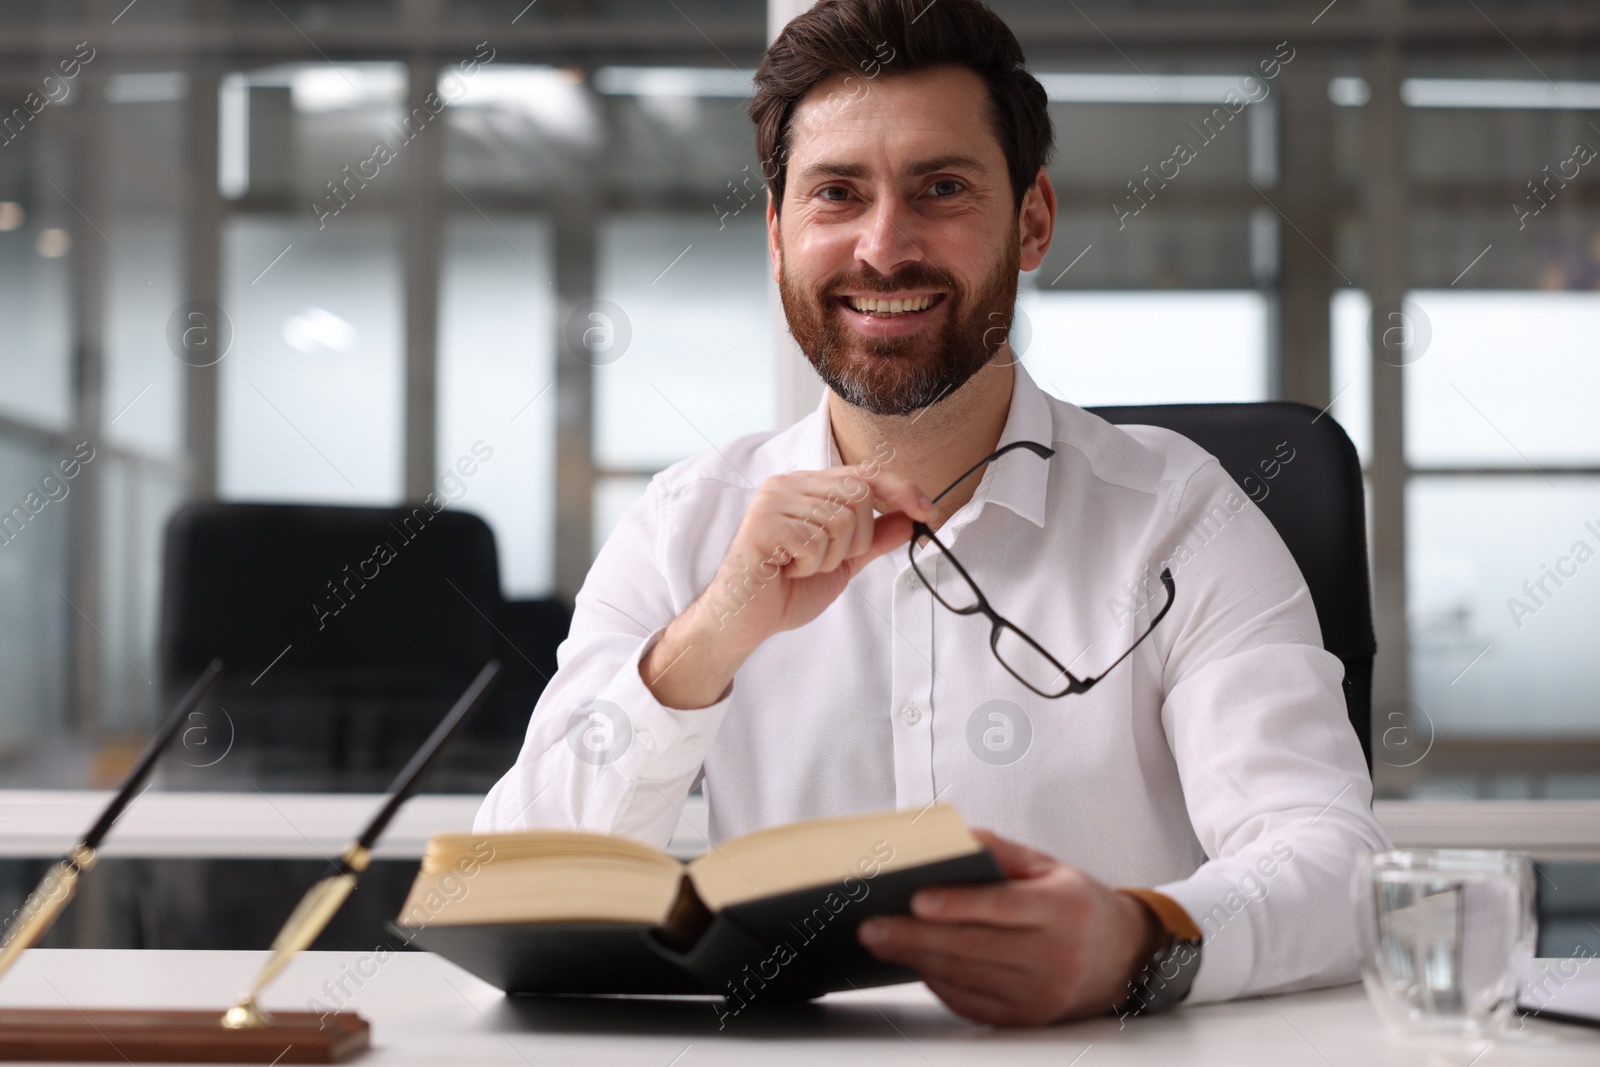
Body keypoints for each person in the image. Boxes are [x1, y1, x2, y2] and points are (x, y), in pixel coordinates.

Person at [478, 0, 1388, 1026]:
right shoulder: (682, 526)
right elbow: (513, 890)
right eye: (836, 194)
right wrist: (707, 637)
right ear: (778, 235)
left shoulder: (1185, 518)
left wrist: (1136, 936)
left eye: (940, 189)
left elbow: (1334, 867)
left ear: (1032, 221)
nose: (883, 246)